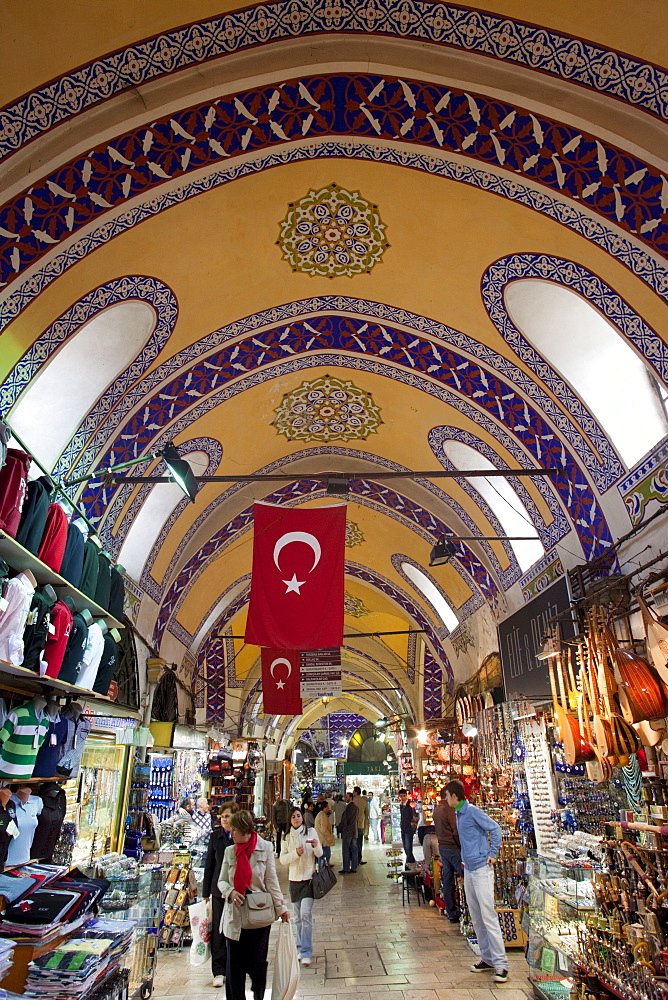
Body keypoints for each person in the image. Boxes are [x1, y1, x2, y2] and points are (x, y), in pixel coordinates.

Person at [218, 810, 290, 1000]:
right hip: (235, 916)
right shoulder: (229, 851)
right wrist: (230, 892)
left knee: (258, 964)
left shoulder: (264, 847)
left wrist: (281, 908)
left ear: (244, 830)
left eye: (234, 831)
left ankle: (258, 994)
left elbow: (271, 880)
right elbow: (222, 881)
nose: (231, 834)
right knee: (235, 967)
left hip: (259, 916)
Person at [444, 779, 508, 983]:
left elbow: (495, 828)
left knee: (488, 915)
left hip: (481, 869)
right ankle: (487, 958)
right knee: (476, 916)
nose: (445, 799)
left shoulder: (472, 811)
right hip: (469, 869)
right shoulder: (458, 813)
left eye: (446, 796)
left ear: (455, 796)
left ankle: (501, 964)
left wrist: (493, 853)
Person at [280, 806, 322, 966]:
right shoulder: (286, 837)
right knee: (297, 917)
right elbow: (283, 859)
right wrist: (295, 854)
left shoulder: (310, 832)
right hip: (294, 880)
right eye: (293, 817)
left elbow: (319, 854)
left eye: (298, 816)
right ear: (289, 820)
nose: (297, 819)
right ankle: (299, 948)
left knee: (305, 915)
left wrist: (317, 846)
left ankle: (306, 951)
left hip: (309, 879)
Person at [202, 800, 238, 987]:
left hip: (238, 890)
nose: (224, 820)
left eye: (227, 816)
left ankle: (234, 968)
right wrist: (205, 892)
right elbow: (209, 865)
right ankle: (219, 971)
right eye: (222, 817)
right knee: (218, 930)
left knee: (236, 928)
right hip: (218, 890)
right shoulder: (215, 837)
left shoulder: (241, 835)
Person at [433, 785, 462, 923]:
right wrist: (461, 845)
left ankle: (451, 911)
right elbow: (455, 830)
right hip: (453, 847)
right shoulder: (448, 809)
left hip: (443, 846)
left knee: (448, 878)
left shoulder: (437, 809)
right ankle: (468, 909)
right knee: (465, 875)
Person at [339, 791, 359, 874]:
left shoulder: (349, 808)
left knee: (346, 850)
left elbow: (346, 820)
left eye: (347, 797)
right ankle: (354, 867)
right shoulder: (356, 807)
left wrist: (342, 828)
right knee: (354, 849)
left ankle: (346, 868)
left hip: (348, 831)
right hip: (354, 830)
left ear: (351, 798)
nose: (345, 799)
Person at [314, 800, 335, 867]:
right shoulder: (322, 816)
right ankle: (323, 867)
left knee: (323, 854)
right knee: (324, 854)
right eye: (327, 807)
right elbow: (323, 829)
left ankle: (324, 865)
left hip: (321, 838)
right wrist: (329, 836)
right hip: (324, 839)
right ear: (324, 807)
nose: (328, 809)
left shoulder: (321, 814)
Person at [398, 789, 417, 863]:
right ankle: (412, 863)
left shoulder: (410, 805)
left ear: (407, 796)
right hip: (403, 828)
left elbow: (414, 816)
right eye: (401, 796)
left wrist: (413, 826)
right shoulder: (401, 805)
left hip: (409, 829)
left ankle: (408, 864)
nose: (403, 798)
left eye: (404, 796)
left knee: (408, 847)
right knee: (406, 848)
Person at [352, 787, 368, 865]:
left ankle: (353, 859)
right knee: (359, 843)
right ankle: (359, 858)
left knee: (353, 843)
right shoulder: (363, 802)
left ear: (355, 792)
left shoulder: (352, 801)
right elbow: (366, 813)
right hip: (360, 824)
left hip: (352, 825)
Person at [271, 792, 290, 856]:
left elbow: (289, 811)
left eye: (279, 795)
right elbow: (273, 817)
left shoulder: (286, 803)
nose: (278, 797)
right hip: (279, 823)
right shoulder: (275, 805)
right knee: (278, 838)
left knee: (287, 837)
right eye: (276, 796)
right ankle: (278, 852)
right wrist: (276, 827)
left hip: (286, 823)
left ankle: (288, 850)